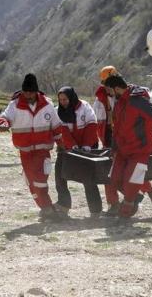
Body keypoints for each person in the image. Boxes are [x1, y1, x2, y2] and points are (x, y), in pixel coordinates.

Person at [0, 74, 74, 222]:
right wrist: (3, 124)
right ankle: (46, 209)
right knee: (31, 182)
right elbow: (4, 118)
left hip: (43, 150)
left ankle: (47, 208)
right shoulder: (15, 105)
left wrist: (61, 144)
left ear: (36, 91)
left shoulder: (47, 104)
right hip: (25, 151)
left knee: (40, 180)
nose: (28, 96)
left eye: (31, 93)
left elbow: (57, 127)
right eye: (25, 92)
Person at [102, 74, 152, 219]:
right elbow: (116, 127)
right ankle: (142, 195)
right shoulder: (119, 102)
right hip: (122, 150)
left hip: (140, 150)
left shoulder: (138, 101)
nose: (108, 94)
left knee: (131, 182)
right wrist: (114, 147)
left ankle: (126, 211)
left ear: (116, 88)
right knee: (114, 179)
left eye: (109, 90)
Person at [92, 66, 152, 216]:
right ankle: (114, 204)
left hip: (130, 140)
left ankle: (146, 192)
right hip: (112, 139)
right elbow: (100, 123)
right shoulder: (100, 99)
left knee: (133, 173)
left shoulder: (132, 94)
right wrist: (107, 142)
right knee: (112, 176)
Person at [54, 86, 102, 218]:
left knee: (88, 178)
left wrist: (86, 146)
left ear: (71, 98)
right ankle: (63, 204)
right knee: (59, 174)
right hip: (67, 148)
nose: (63, 102)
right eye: (60, 100)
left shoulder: (85, 107)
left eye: (65, 99)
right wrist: (73, 147)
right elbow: (63, 131)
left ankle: (95, 210)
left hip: (88, 146)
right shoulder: (58, 111)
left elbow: (92, 126)